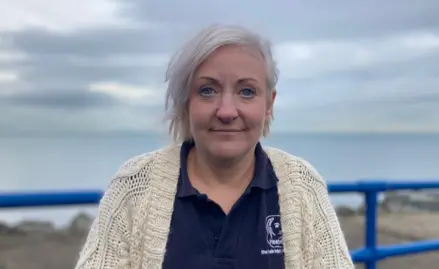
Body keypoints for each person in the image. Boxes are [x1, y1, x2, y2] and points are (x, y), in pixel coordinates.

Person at [74, 24, 354, 269]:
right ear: (186, 103)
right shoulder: (134, 186)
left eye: (247, 92)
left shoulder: (303, 185)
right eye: (208, 90)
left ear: (269, 104)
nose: (227, 111)